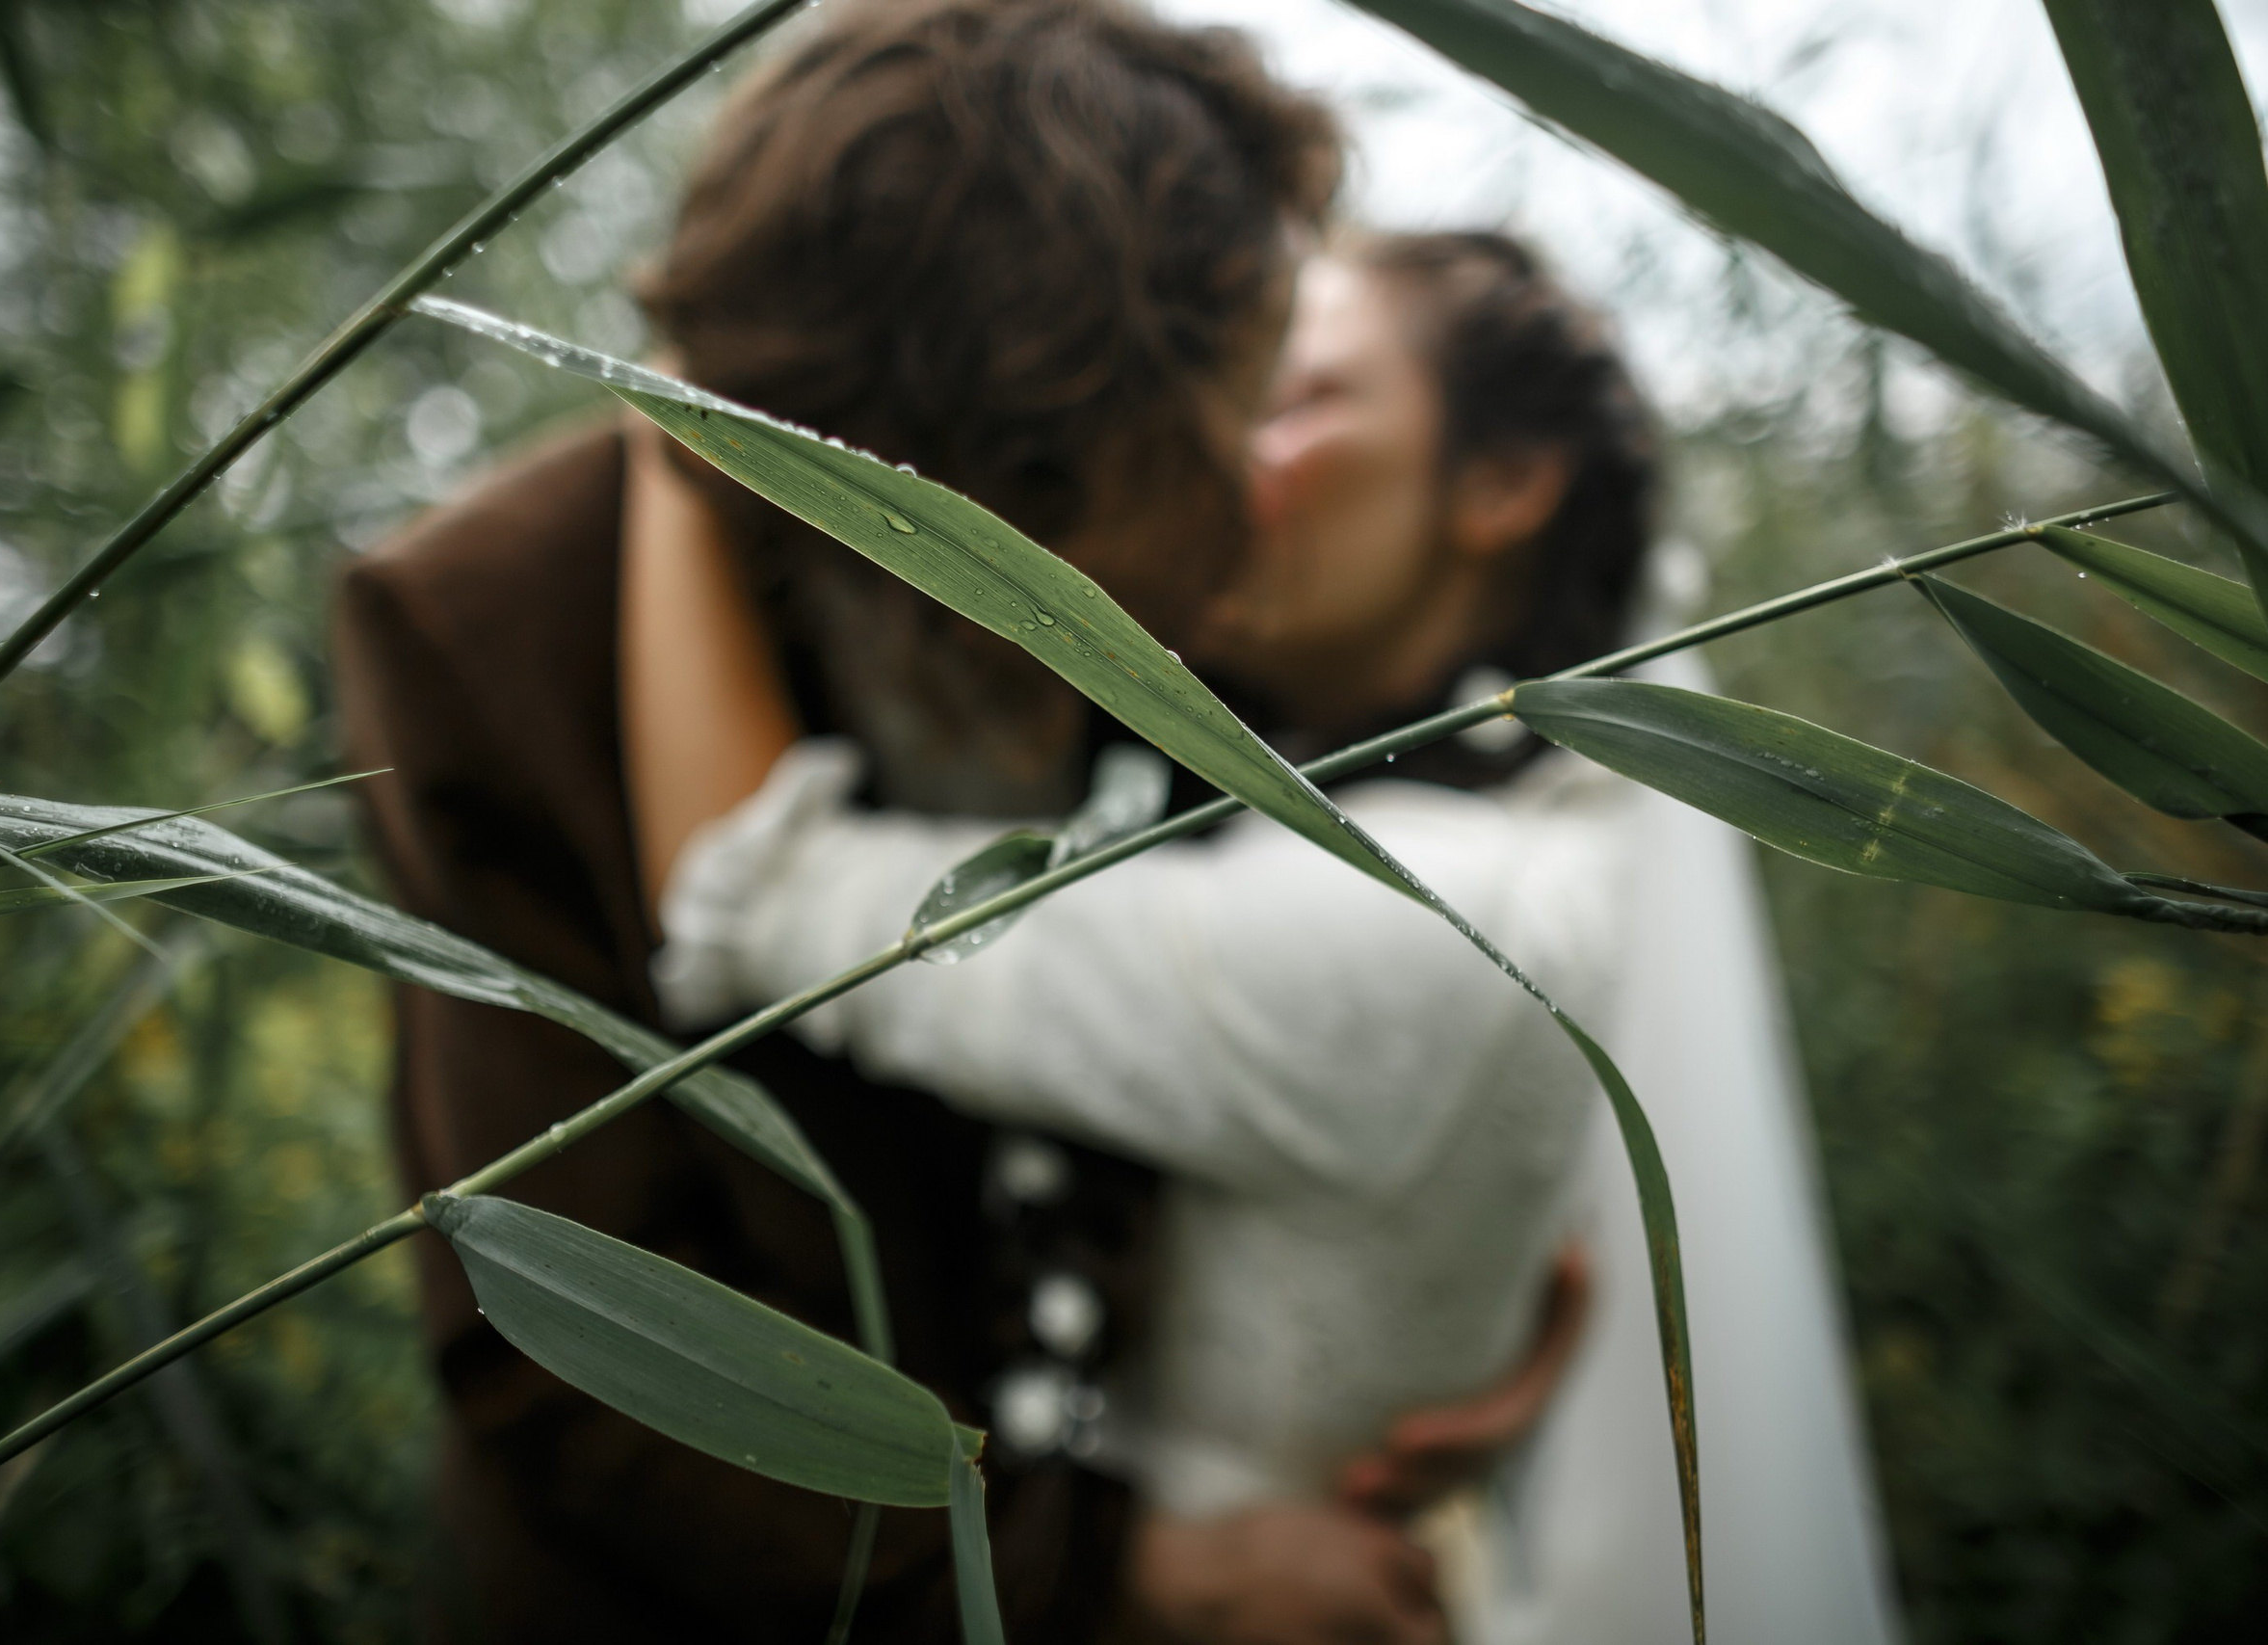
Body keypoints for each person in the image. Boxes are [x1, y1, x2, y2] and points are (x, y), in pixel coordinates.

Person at [335, 3, 1561, 1640]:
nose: (1277, 467)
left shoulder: (1210, 559)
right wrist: (1126, 1572)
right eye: (1240, 403)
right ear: (997, 495)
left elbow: (1288, 1006)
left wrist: (1449, 1296)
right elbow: (561, 1343)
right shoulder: (486, 637)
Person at [643, 232, 1899, 1643]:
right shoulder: (1485, 825)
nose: (1213, 452)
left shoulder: (1432, 917)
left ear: (1500, 487)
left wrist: (676, 424)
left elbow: (750, 892)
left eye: (1298, 401)